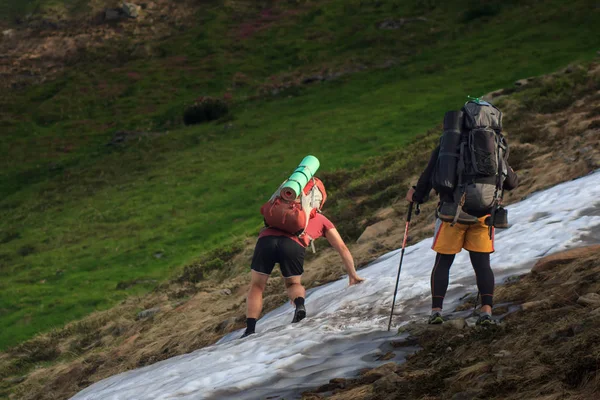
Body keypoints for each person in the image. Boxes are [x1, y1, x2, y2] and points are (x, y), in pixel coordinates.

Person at [406, 102, 518, 326]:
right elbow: (511, 182)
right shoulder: (496, 144)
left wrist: (416, 196)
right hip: (485, 214)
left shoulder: (448, 144)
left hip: (452, 213)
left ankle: (436, 311)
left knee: (443, 262)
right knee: (482, 264)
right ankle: (486, 311)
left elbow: (429, 176)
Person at [242, 201, 364, 338]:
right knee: (293, 284)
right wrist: (353, 275)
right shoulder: (322, 219)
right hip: (293, 244)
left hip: (266, 241)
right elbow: (342, 248)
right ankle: (299, 305)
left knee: (257, 286)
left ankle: (250, 330)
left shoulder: (283, 211)